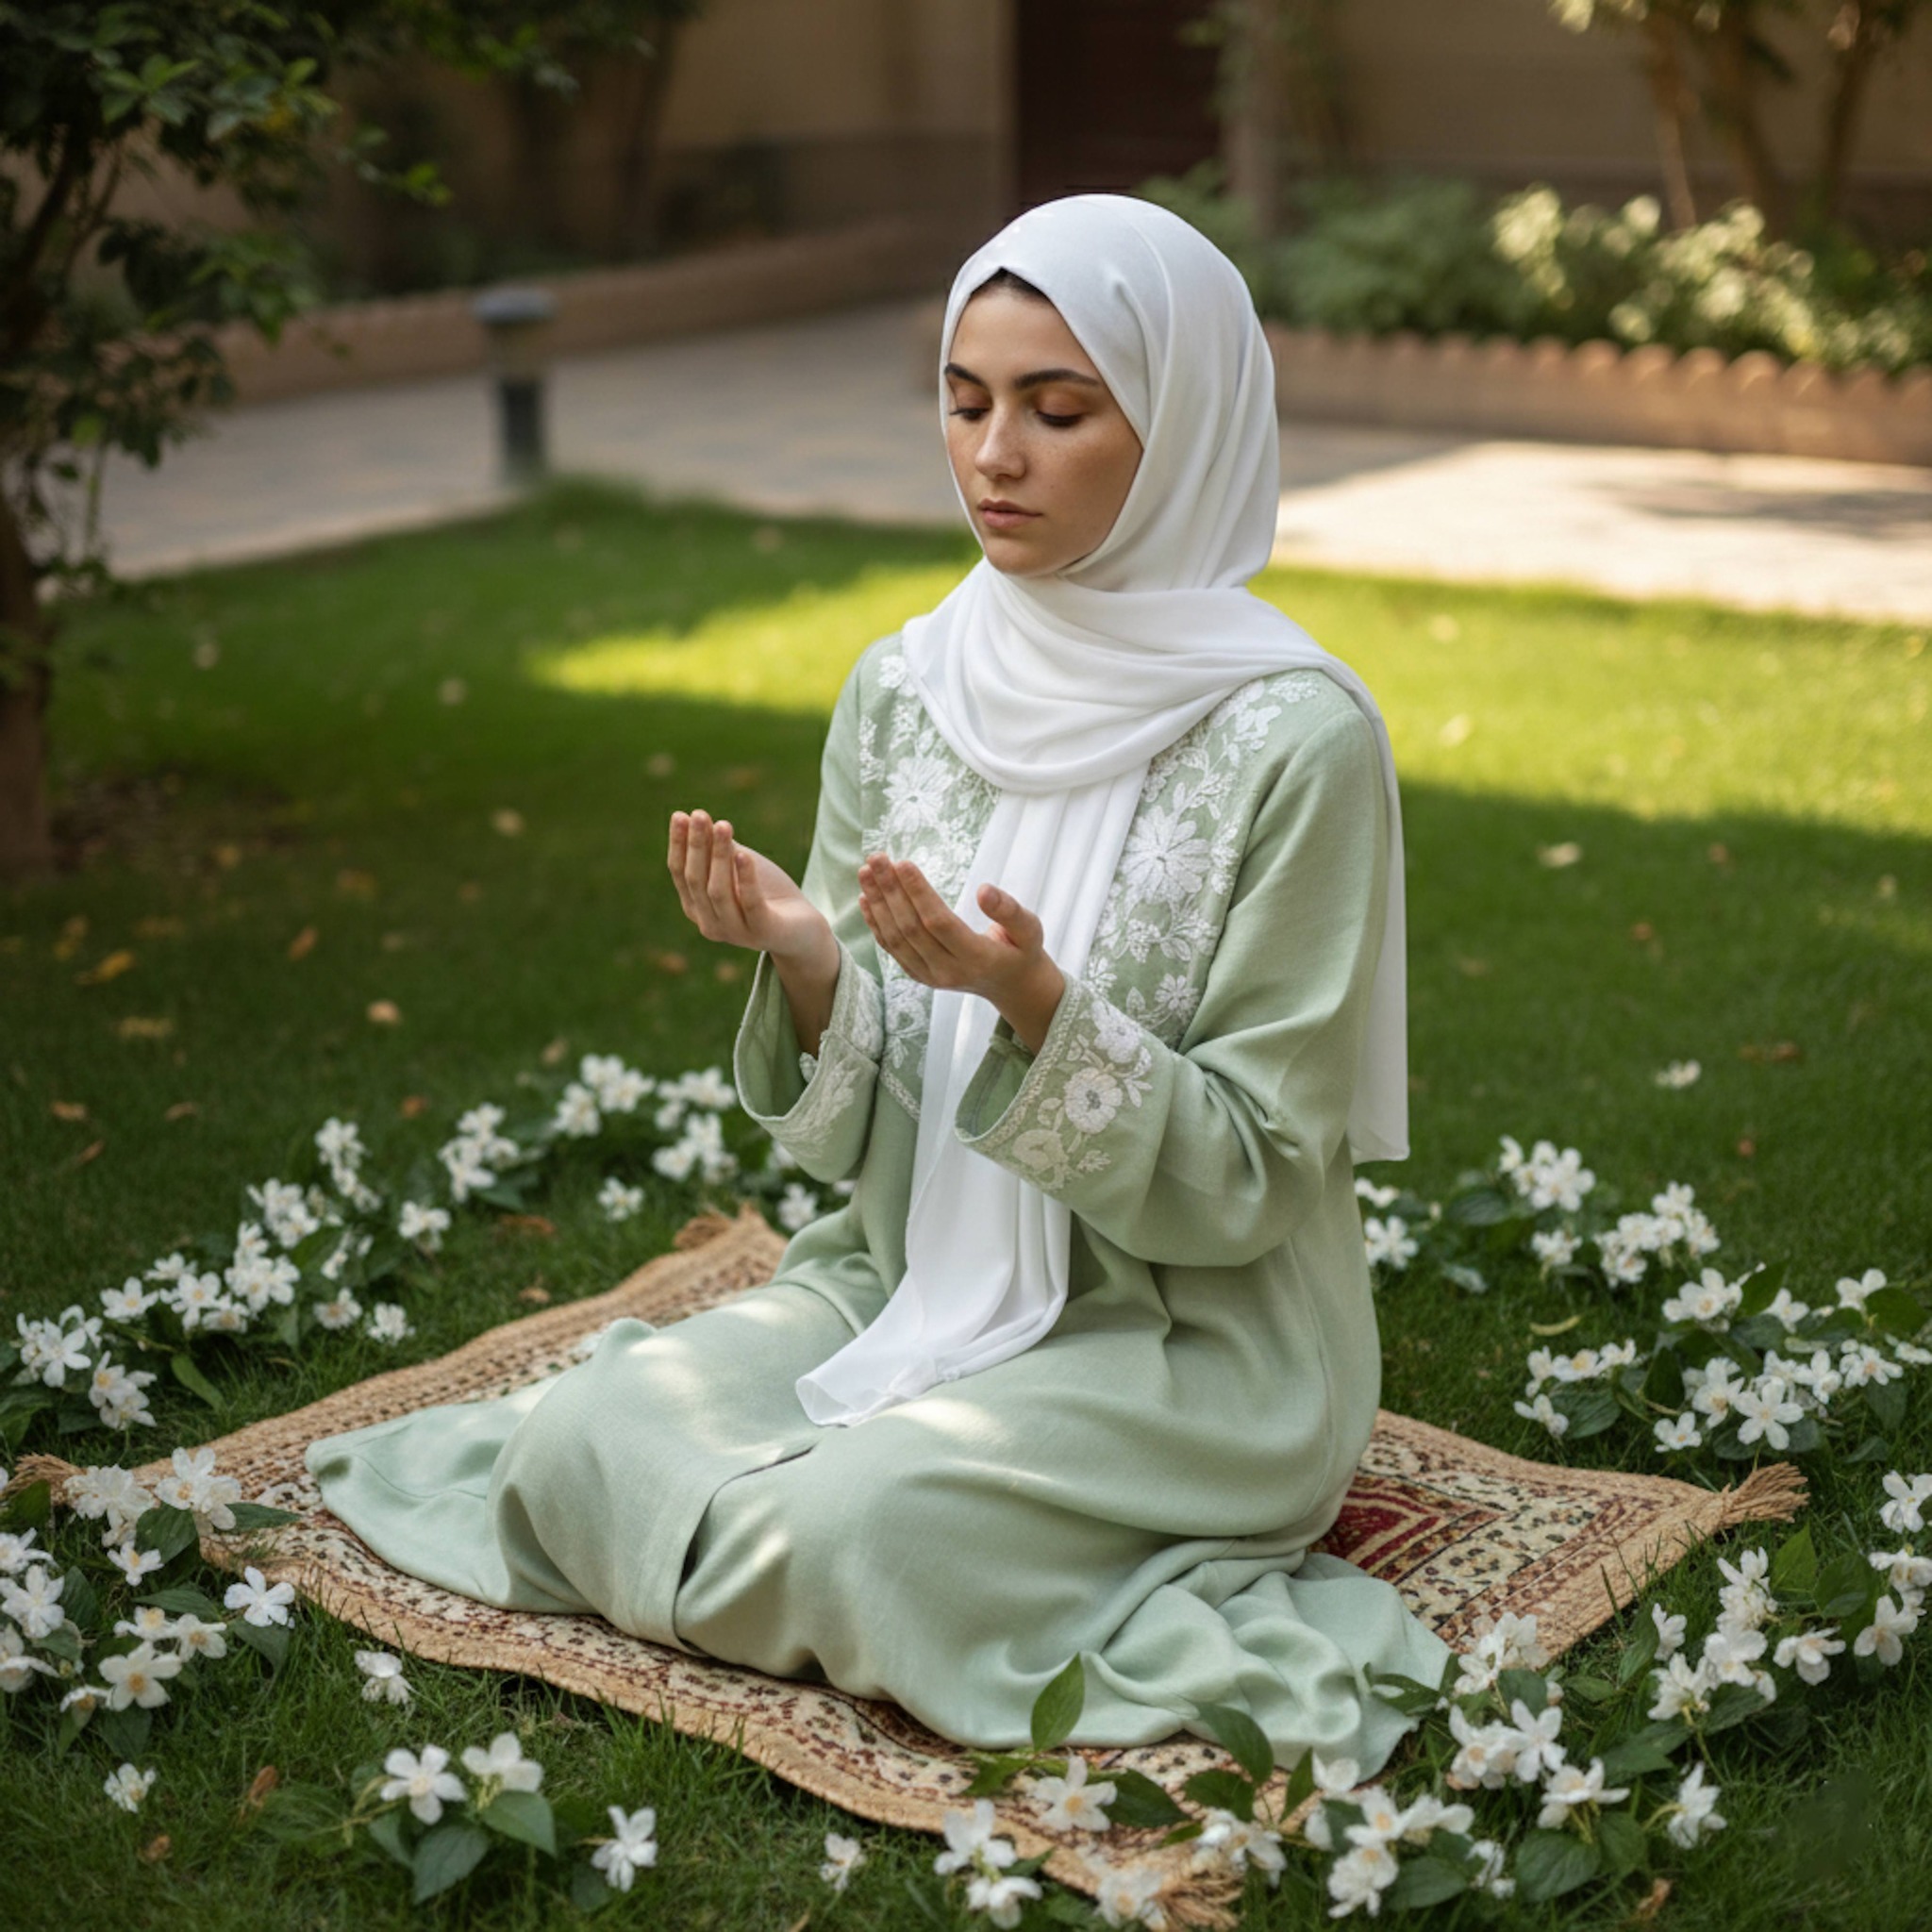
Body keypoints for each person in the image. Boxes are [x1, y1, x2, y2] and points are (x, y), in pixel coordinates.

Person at [306, 194, 1452, 1777]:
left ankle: (824, 1531)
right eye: (966, 401)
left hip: (1189, 1346)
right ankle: (794, 1529)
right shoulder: (906, 687)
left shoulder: (1297, 741)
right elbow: (855, 1149)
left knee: (868, 1528)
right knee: (579, 1439)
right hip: (899, 1273)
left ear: (1180, 424)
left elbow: (1259, 1170)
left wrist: (1042, 1010)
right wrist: (808, 961)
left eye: (1060, 410)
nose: (995, 456)